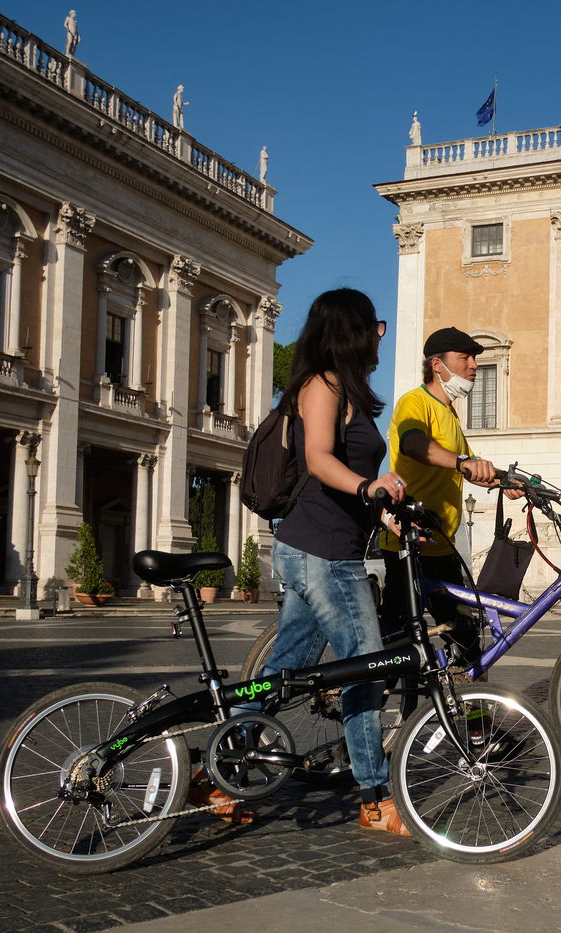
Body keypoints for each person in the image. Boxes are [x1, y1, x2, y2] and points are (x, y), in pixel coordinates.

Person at [249, 288, 410, 834]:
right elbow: (318, 459)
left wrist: (381, 511)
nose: (380, 336)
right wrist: (369, 488)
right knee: (366, 667)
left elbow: (345, 474)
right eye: (376, 326)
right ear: (352, 330)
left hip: (322, 548)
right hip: (324, 555)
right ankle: (374, 797)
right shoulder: (323, 383)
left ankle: (221, 768)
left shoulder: (348, 390)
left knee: (282, 672)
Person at [383, 327, 522, 653]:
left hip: (441, 547)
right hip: (409, 543)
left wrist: (507, 481)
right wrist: (461, 462)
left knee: (467, 641)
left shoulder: (450, 414)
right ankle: (374, 685)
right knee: (396, 646)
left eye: (474, 358)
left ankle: (462, 687)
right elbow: (414, 443)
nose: (474, 365)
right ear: (438, 365)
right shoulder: (415, 402)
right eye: (465, 357)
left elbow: (471, 466)